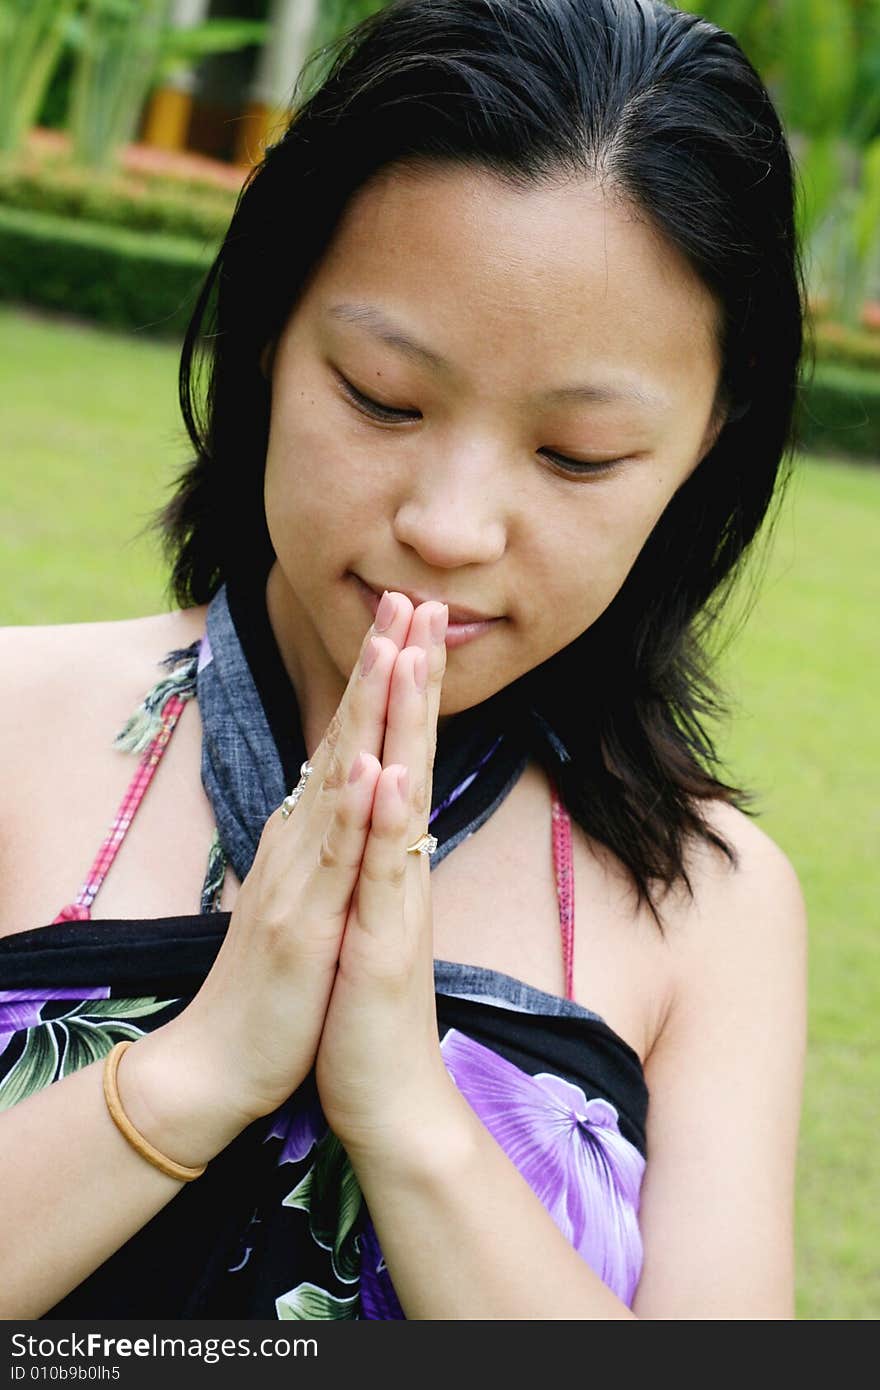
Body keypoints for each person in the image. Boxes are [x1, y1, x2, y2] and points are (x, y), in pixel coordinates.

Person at [0, 0, 808, 1320]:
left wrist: (406, 1111)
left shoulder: (712, 913)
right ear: (271, 324)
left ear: (710, 442)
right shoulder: (10, 725)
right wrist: (197, 1069)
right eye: (382, 393)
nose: (446, 523)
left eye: (577, 456)